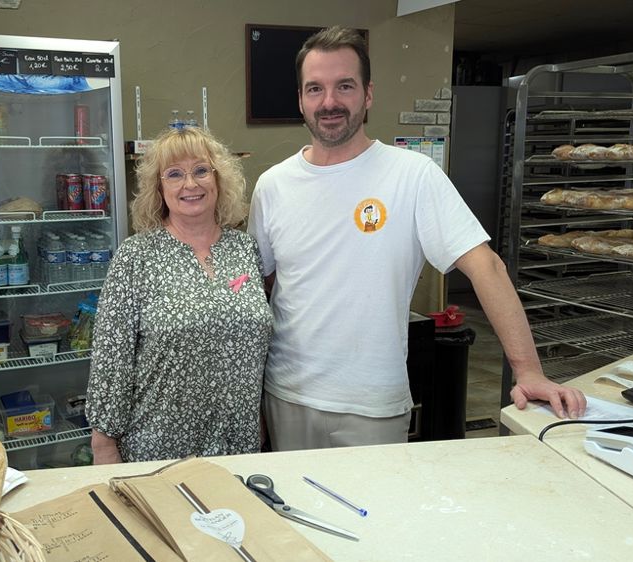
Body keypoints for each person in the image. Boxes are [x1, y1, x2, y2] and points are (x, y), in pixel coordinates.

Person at [247, 26, 587, 452]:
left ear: (368, 94)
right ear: (300, 98)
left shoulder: (412, 175)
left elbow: (486, 267)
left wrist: (528, 370)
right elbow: (259, 289)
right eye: (315, 88)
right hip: (287, 395)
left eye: (344, 86)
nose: (329, 102)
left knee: (374, 517)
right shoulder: (273, 185)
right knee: (289, 517)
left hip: (373, 404)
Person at [86, 126, 273, 464]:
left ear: (219, 180)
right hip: (157, 449)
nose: (191, 184)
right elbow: (110, 360)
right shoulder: (136, 257)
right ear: (159, 188)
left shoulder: (244, 249)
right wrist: (104, 446)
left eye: (201, 170)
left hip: (237, 446)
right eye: (174, 174)